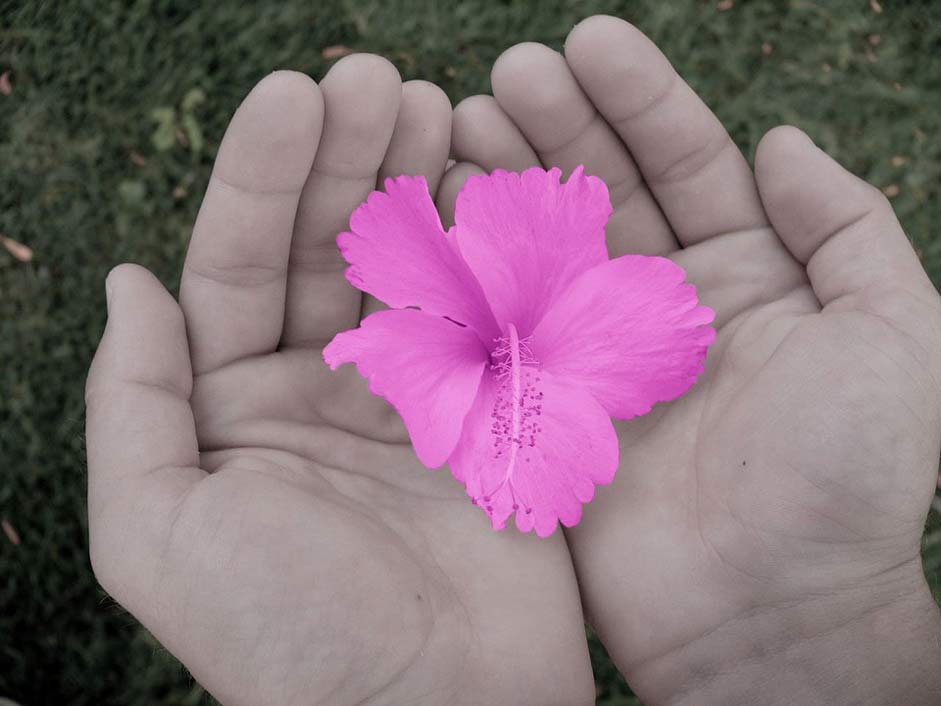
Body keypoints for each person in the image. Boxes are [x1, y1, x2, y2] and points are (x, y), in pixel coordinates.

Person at [84, 14, 941, 706]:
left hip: (528, 347)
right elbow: (411, 339)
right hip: (480, 355)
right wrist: (835, 634)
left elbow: (619, 335)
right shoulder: (420, 341)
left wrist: (826, 616)